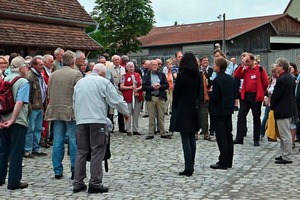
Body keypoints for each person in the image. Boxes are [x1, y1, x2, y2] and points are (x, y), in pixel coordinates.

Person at [72, 64, 129, 193]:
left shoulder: (80, 83)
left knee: (81, 152)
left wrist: (77, 118)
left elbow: (74, 102)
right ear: (103, 73)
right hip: (97, 120)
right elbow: (116, 100)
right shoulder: (103, 82)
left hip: (81, 121)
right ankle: (95, 183)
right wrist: (125, 112)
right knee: (97, 151)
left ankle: (78, 182)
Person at [45, 50, 83, 179]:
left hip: (56, 109)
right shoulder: (76, 74)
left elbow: (49, 92)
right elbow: (80, 93)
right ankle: (74, 169)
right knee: (73, 140)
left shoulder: (53, 75)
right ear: (73, 61)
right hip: (70, 110)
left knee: (58, 140)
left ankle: (57, 170)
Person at [0, 56, 30, 190]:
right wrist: (13, 119)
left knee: (3, 150)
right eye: (26, 67)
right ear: (21, 68)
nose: (27, 69)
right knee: (16, 151)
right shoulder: (23, 81)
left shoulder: (3, 79)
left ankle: (0, 178)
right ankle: (14, 181)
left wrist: (2, 119)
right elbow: (19, 101)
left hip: (3, 119)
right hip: (17, 120)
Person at [173, 52, 201, 176]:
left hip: (183, 108)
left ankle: (188, 167)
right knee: (192, 138)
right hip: (194, 108)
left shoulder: (182, 76)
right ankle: (192, 164)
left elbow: (176, 93)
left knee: (185, 139)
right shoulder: (198, 75)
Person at [233, 53, 269, 146]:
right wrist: (242, 65)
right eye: (245, 61)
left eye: (248, 61)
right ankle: (239, 138)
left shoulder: (260, 69)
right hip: (246, 96)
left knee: (256, 117)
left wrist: (261, 91)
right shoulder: (245, 69)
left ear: (253, 60)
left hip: (256, 96)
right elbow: (236, 75)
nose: (247, 63)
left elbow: (265, 83)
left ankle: (256, 139)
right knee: (241, 116)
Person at [209, 57, 236, 170]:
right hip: (228, 110)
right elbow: (234, 93)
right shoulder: (231, 79)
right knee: (228, 135)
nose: (213, 66)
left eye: (214, 65)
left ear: (219, 67)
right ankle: (229, 160)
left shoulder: (217, 80)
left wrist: (210, 93)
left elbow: (216, 97)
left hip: (218, 111)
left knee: (221, 136)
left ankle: (223, 161)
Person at [271, 57, 296, 164]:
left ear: (281, 67)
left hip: (282, 109)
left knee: (285, 134)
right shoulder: (289, 77)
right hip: (288, 108)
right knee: (283, 133)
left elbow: (277, 95)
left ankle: (287, 156)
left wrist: (272, 105)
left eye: (277, 65)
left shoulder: (282, 79)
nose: (276, 67)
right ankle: (284, 153)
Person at [24, 56, 47, 158]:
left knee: (38, 129)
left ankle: (35, 148)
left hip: (40, 106)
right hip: (33, 107)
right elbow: (27, 94)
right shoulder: (30, 76)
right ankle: (28, 150)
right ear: (34, 65)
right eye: (40, 64)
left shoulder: (39, 75)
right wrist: (29, 108)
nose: (42, 66)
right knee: (30, 129)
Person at [142, 59, 170, 140]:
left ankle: (162, 132)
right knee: (151, 116)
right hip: (151, 97)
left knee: (161, 116)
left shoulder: (161, 74)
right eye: (153, 65)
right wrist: (152, 87)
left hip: (160, 97)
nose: (154, 66)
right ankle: (151, 133)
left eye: (156, 65)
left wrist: (160, 86)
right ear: (150, 66)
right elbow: (143, 87)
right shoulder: (146, 76)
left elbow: (166, 85)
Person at [120, 61, 143, 135]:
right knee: (128, 113)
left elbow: (142, 84)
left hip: (137, 96)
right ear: (127, 68)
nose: (132, 68)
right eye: (130, 67)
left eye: (132, 66)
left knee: (136, 113)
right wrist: (130, 87)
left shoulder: (138, 75)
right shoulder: (124, 76)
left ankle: (135, 129)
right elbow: (121, 86)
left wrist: (138, 89)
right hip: (128, 97)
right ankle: (128, 129)